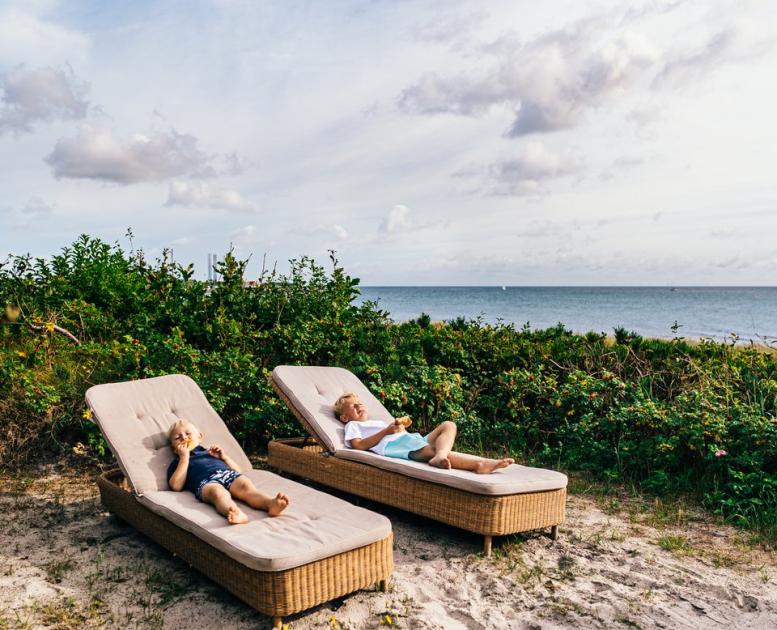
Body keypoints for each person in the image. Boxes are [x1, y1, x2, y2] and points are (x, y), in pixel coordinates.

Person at [333, 392, 514, 473]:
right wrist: (388, 430)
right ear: (345, 418)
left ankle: (440, 456)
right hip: (396, 446)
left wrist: (400, 427)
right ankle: (479, 464)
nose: (359, 406)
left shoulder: (376, 421)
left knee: (449, 425)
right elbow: (358, 446)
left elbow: (395, 432)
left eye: (360, 403)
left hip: (408, 439)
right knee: (433, 450)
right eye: (353, 406)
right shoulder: (352, 426)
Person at [167, 419, 289, 524]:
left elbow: (239, 471)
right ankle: (233, 511)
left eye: (188, 433)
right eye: (178, 438)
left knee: (246, 486)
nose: (184, 438)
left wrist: (224, 457)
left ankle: (270, 504)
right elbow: (176, 485)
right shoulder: (178, 461)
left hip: (227, 474)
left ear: (200, 437)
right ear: (174, 449)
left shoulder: (210, 452)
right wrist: (184, 457)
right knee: (218, 494)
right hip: (206, 482)